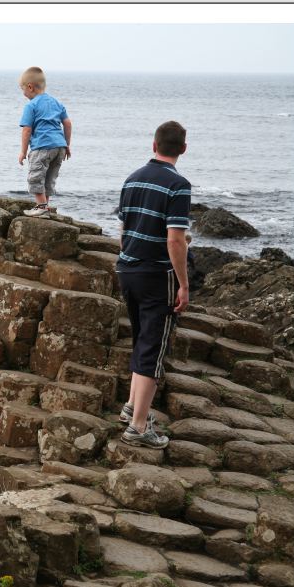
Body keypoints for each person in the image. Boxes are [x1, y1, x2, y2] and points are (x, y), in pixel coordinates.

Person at [116, 121, 192, 449]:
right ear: (183, 149)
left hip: (127, 268)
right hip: (155, 274)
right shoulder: (179, 185)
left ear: (154, 145)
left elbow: (122, 229)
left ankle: (133, 406)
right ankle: (138, 427)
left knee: (141, 339)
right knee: (153, 347)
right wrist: (183, 284)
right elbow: (175, 241)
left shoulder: (132, 178)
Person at [17, 67, 72, 218]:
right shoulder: (56, 102)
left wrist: (23, 151)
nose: (23, 93)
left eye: (22, 89)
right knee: (49, 178)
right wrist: (67, 145)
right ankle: (44, 207)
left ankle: (41, 207)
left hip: (42, 146)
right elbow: (67, 124)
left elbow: (27, 130)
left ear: (30, 87)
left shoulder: (31, 105)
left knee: (35, 177)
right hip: (59, 147)